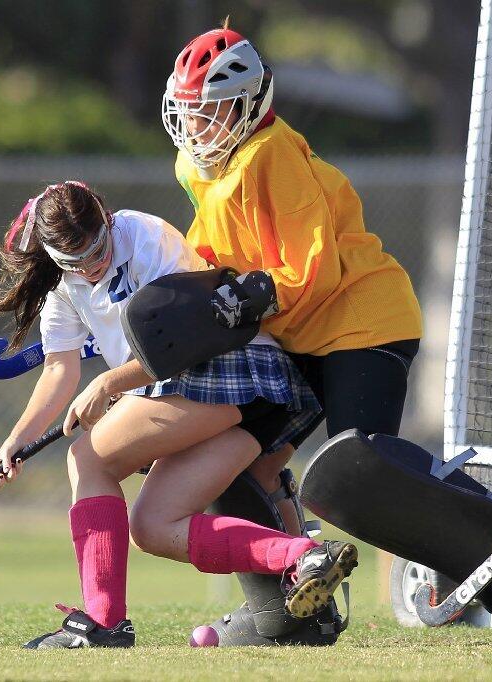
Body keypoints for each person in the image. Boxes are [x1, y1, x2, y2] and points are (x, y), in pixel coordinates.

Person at [0, 180, 357, 649]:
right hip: (244, 409)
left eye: (98, 249)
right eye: (74, 262)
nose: (92, 268)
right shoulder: (65, 287)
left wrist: (109, 384)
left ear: (106, 217)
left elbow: (189, 340)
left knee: (88, 459)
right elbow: (59, 370)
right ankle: (305, 559)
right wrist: (14, 441)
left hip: (234, 369)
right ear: (54, 256)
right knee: (154, 527)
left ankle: (102, 623)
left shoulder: (144, 236)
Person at [161, 21, 422, 639]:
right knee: (234, 468)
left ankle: (491, 555)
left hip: (360, 320)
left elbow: (315, 269)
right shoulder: (196, 164)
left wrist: (247, 292)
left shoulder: (270, 152)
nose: (196, 125)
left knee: (360, 475)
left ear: (249, 103)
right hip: (296, 337)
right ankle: (287, 611)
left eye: (211, 110)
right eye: (190, 110)